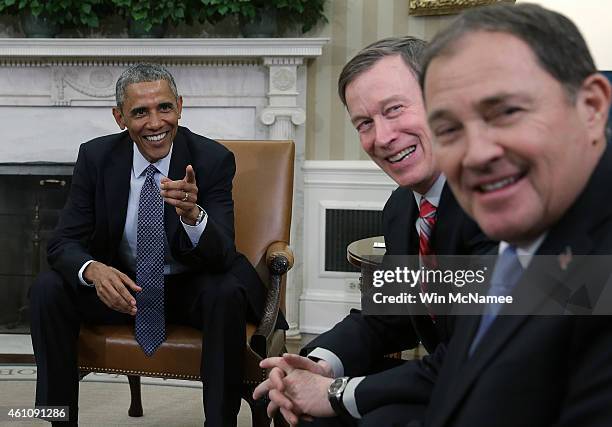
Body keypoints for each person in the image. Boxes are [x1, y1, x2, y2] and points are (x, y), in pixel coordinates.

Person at [254, 37, 494, 425]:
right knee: (294, 402)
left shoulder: (499, 197)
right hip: (459, 376)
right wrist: (316, 365)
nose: (381, 138)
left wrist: (336, 392)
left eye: (395, 109)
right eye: (365, 123)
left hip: (526, 392)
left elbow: (477, 353)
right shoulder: (402, 208)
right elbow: (388, 316)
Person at [29, 63, 279, 427]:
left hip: (189, 286)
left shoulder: (211, 160)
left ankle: (220, 421)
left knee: (225, 292)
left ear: (180, 106)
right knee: (48, 288)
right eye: (140, 112)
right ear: (119, 117)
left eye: (164, 107)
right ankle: (58, 420)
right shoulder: (96, 157)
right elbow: (64, 241)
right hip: (124, 287)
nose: (155, 122)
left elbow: (223, 253)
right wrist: (94, 270)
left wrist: (193, 216)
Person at [413, 3, 612, 426]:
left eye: (506, 112)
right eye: (448, 130)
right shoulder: (519, 234)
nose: (477, 153)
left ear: (592, 107)